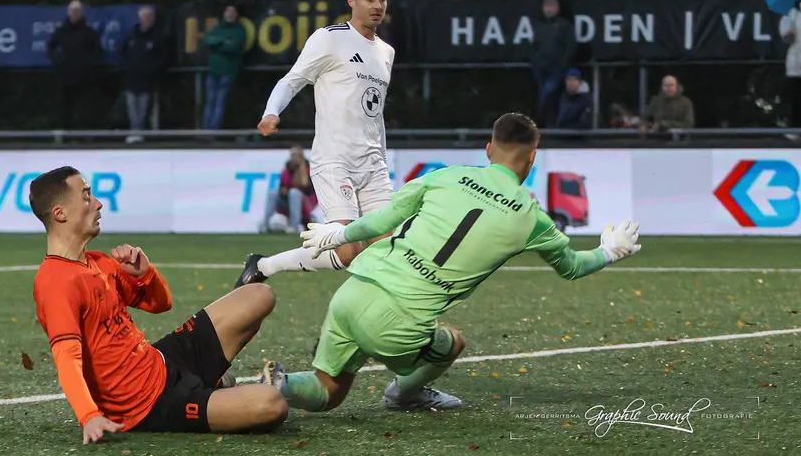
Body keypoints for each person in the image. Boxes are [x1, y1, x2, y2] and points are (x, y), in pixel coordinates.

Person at [259, 113, 642, 413]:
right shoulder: (532, 218)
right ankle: (404, 395)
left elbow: (381, 221)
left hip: (353, 293)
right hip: (400, 320)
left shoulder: (445, 177)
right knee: (452, 342)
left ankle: (280, 384)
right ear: (532, 158)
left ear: (488, 150)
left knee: (328, 391)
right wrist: (609, 251)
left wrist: (339, 234)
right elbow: (572, 267)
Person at [29, 166, 287, 443]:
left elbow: (161, 304)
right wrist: (89, 415)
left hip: (161, 360)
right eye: (86, 196)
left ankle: (213, 384)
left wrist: (146, 274)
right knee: (271, 404)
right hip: (147, 405)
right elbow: (67, 357)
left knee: (259, 294)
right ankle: (215, 390)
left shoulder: (99, 262)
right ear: (60, 214)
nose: (98, 203)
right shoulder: (55, 282)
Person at [236, 0, 396, 287]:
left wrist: (381, 157)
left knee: (386, 248)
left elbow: (374, 114)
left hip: (373, 165)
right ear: (351, 1)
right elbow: (292, 80)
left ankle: (374, 314)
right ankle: (264, 265)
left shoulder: (386, 52)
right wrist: (271, 112)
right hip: (336, 159)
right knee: (347, 251)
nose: (377, 6)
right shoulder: (330, 37)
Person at [47, 0, 103, 130]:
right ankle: (65, 133)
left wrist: (87, 62)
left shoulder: (89, 32)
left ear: (82, 13)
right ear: (68, 12)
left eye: (78, 11)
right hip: (64, 76)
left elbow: (98, 51)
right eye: (73, 11)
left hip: (84, 77)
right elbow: (50, 48)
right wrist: (58, 60)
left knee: (85, 107)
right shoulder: (61, 31)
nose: (75, 13)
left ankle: (84, 134)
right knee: (65, 106)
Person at [120, 6, 170, 143]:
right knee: (131, 108)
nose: (147, 19)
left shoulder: (158, 36)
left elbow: (163, 57)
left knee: (143, 108)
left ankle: (140, 132)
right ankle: (134, 131)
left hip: (148, 80)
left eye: (150, 17)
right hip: (131, 79)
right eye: (145, 17)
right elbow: (122, 53)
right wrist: (127, 67)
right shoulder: (132, 34)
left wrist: (151, 69)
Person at [531, 0, 575, 128]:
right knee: (545, 96)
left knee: (549, 92)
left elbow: (571, 46)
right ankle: (549, 126)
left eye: (552, 6)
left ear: (557, 8)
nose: (549, 10)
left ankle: (539, 120)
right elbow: (534, 45)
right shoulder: (539, 25)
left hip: (557, 68)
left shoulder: (565, 26)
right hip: (540, 67)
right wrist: (535, 60)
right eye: (546, 6)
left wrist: (562, 63)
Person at [202, 5, 247, 130]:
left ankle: (213, 130)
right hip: (213, 71)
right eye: (228, 11)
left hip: (228, 71)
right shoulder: (217, 28)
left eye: (233, 11)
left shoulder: (239, 31)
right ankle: (206, 130)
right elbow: (207, 40)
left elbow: (234, 46)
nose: (230, 14)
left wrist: (217, 44)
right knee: (210, 101)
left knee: (219, 101)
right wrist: (224, 40)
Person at [260, 145, 324, 233]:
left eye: (296, 155)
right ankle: (265, 224)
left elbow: (310, 191)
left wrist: (295, 189)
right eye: (292, 155)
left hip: (306, 201)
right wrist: (283, 191)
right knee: (272, 192)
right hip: (287, 199)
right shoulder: (286, 170)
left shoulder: (308, 170)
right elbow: (282, 186)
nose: (294, 158)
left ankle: (294, 226)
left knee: (294, 193)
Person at [778, 4, 801, 129]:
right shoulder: (791, 14)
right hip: (796, 64)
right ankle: (796, 129)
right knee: (796, 98)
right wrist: (790, 34)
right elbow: (786, 38)